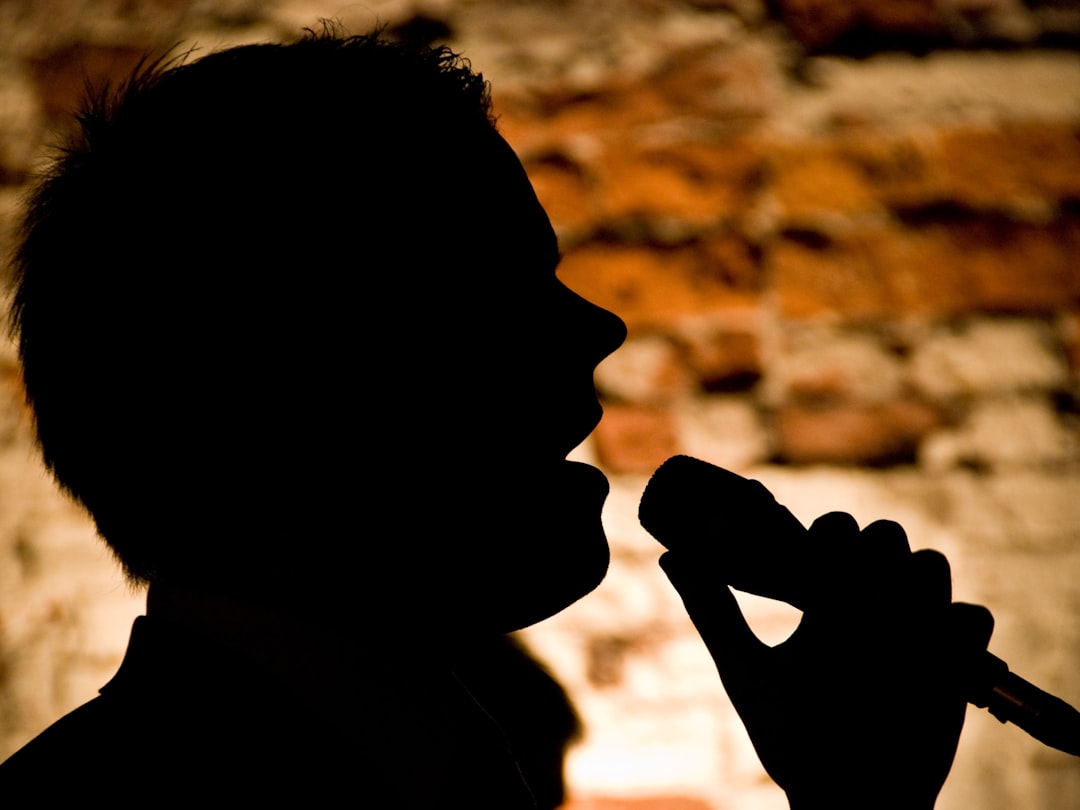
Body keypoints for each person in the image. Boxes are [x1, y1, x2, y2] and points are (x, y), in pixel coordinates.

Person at [0, 29, 991, 807]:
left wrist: (856, 799)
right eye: (498, 287)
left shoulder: (436, 767)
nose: (598, 328)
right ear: (305, 377)